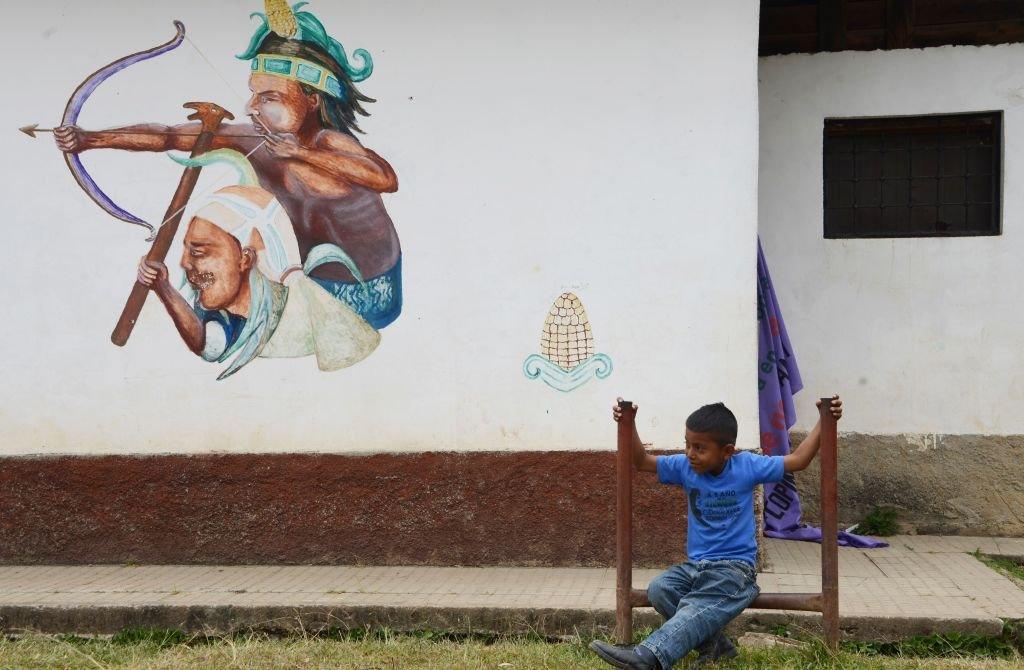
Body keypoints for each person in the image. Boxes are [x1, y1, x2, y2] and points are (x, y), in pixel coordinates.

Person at [56, 1, 402, 330]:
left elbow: (385, 178)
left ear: (311, 100)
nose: (252, 107)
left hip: (372, 288)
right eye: (254, 94)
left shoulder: (331, 145)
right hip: (306, 284)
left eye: (270, 98)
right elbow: (170, 136)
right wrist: (89, 139)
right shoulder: (257, 139)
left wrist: (301, 153)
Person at [590, 396, 843, 670]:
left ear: (727, 451)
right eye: (687, 444)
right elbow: (640, 461)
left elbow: (798, 460)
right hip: (696, 567)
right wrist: (629, 423)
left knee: (699, 602)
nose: (690, 453)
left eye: (699, 448)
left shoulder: (746, 466)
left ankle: (649, 656)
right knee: (660, 589)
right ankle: (716, 647)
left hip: (735, 570)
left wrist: (824, 421)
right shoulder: (685, 467)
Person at [137, 155, 380, 380]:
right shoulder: (221, 308)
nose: (184, 263)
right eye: (188, 250)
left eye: (199, 252)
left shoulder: (294, 309)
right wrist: (164, 288)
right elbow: (209, 344)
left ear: (245, 259)